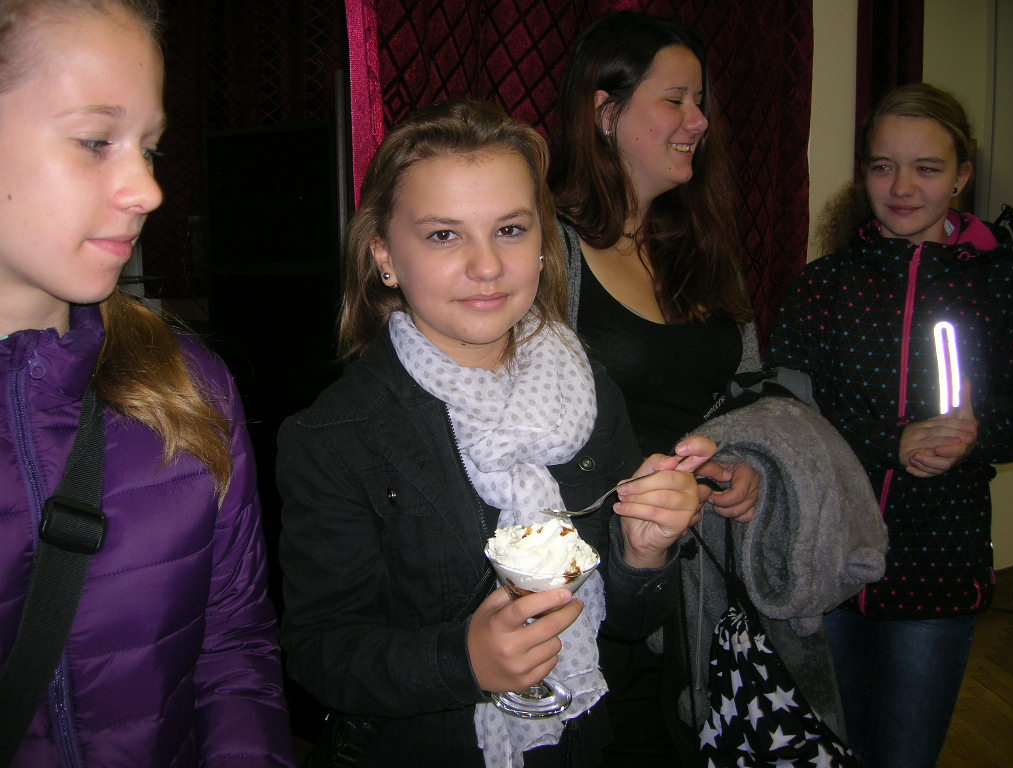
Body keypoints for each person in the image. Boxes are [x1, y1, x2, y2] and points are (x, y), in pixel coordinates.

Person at [276, 99, 721, 768]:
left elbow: (629, 624)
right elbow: (320, 653)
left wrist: (646, 551)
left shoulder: (585, 387)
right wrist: (464, 660)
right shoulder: (336, 436)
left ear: (543, 245)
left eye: (510, 229)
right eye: (443, 235)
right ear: (384, 256)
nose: (486, 266)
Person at [0, 1, 297, 765]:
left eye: (150, 147)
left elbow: (233, 648)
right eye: (96, 141)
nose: (148, 190)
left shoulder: (184, 387)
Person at [769, 82, 1013, 768]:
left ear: (962, 176)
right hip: (826, 567)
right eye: (884, 166)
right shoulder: (823, 285)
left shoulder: (1001, 287)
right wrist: (893, 441)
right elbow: (785, 413)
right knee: (826, 751)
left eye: (927, 168)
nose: (902, 187)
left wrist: (975, 436)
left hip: (937, 572)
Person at [546, 12, 763, 763]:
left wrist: (743, 465)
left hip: (699, 579)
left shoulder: (701, 245)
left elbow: (747, 393)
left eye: (700, 102)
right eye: (675, 100)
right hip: (595, 587)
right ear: (605, 113)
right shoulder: (547, 249)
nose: (698, 121)